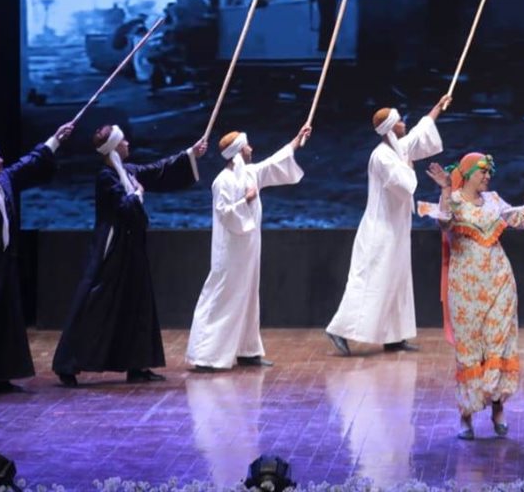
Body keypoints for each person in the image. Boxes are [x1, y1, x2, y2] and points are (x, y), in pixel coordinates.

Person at [420, 152, 524, 439]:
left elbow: (520, 217)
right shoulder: (453, 200)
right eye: (482, 171)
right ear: (467, 173)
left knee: (498, 344)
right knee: (470, 349)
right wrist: (445, 188)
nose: (487, 176)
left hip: (499, 282)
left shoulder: (494, 200)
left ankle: (498, 407)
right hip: (466, 288)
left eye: (489, 172)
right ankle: (466, 415)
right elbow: (445, 224)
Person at [52, 126, 208, 387]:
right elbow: (123, 207)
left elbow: (157, 169)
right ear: (114, 147)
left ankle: (138, 364)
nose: (127, 143)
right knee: (96, 302)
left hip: (132, 246)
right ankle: (68, 363)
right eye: (122, 140)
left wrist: (190, 154)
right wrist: (137, 194)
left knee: (138, 302)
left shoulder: (127, 171)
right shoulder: (106, 177)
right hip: (113, 249)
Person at [326, 95, 450, 355]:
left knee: (397, 279)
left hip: (395, 229)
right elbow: (403, 185)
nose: (404, 124)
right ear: (391, 128)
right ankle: (339, 329)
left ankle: (394, 336)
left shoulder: (397, 149)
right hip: (380, 231)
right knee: (371, 280)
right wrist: (409, 167)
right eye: (400, 122)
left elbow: (419, 133)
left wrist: (438, 106)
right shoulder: (382, 156)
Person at [0, 121, 74, 393]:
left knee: (5, 318)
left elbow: (29, 163)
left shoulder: (3, 181)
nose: (1, 161)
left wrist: (55, 140)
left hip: (5, 262)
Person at [186, 125, 311, 371]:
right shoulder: (222, 182)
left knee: (249, 294)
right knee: (223, 295)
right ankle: (206, 355)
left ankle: (247, 350)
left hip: (248, 248)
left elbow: (274, 162)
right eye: (247, 146)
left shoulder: (250, 173)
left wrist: (298, 139)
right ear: (237, 152)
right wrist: (246, 200)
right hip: (230, 249)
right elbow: (225, 213)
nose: (251, 149)